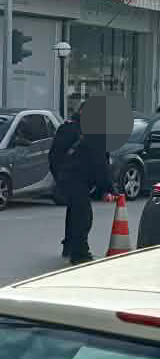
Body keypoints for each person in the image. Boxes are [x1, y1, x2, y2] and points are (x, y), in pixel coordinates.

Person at [52, 101, 114, 264]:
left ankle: (69, 246)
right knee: (83, 216)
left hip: (66, 178)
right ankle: (80, 253)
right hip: (79, 179)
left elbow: (53, 156)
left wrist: (59, 176)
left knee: (74, 211)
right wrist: (107, 188)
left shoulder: (66, 128)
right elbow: (100, 164)